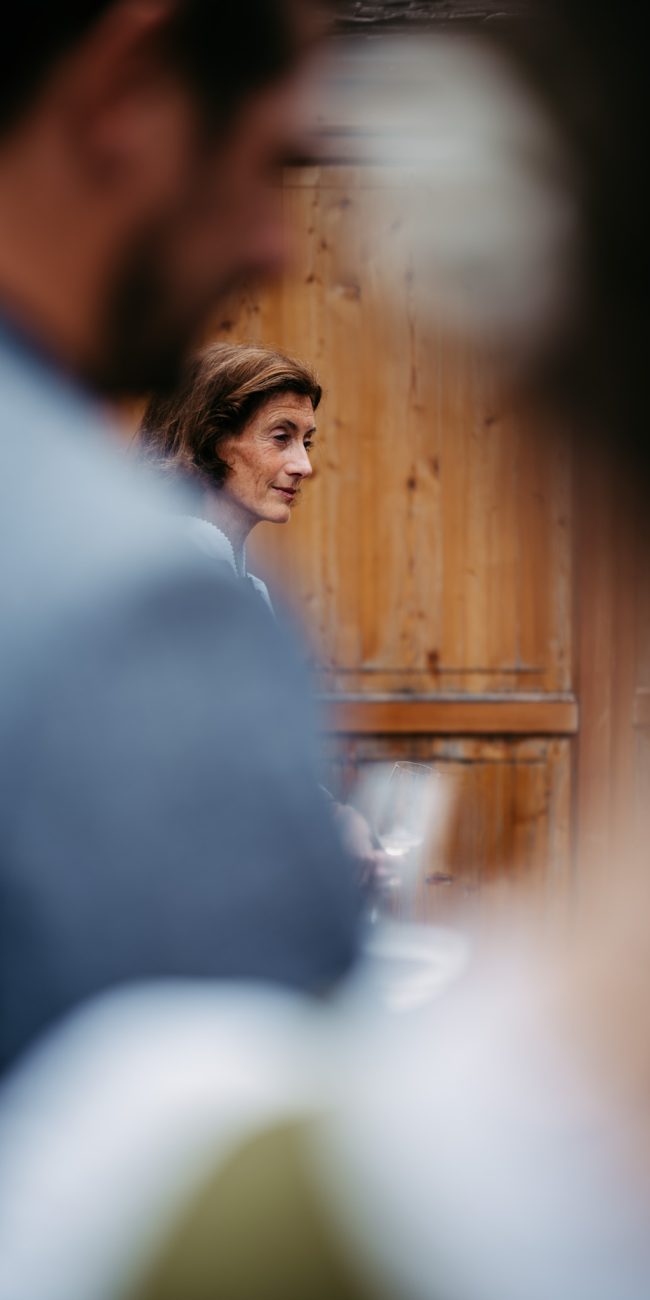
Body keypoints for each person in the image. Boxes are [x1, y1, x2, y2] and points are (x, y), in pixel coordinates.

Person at [0, 0, 362, 1074]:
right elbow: (243, 1102)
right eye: (264, 165)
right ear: (126, 92)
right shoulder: (142, 598)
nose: (273, 244)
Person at [137, 342, 320, 610]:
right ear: (209, 439)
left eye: (306, 443)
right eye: (281, 437)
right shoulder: (165, 574)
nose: (304, 466)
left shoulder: (248, 587)